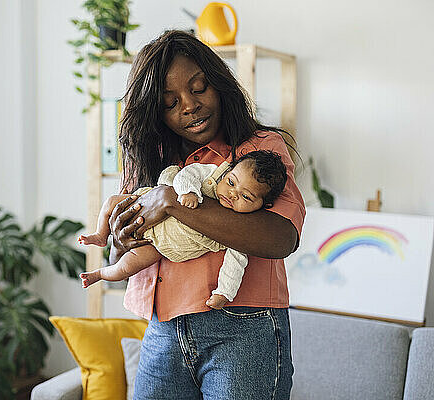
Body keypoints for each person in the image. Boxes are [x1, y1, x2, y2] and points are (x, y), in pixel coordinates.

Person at [104, 30, 306, 400]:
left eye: (199, 88)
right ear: (155, 112)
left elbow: (282, 237)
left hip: (244, 333)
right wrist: (118, 240)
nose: (189, 105)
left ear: (219, 85)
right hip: (162, 333)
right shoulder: (148, 158)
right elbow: (120, 257)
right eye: (170, 102)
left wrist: (172, 201)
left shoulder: (259, 151)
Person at [79, 150, 288, 310]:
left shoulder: (238, 232)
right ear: (228, 172)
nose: (232, 193)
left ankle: (99, 274)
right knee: (111, 203)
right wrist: (188, 192)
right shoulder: (213, 176)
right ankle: (99, 234)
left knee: (126, 267)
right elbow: (188, 173)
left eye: (246, 197)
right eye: (231, 182)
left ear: (263, 206)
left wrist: (224, 293)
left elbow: (235, 265)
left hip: (158, 245)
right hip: (144, 205)